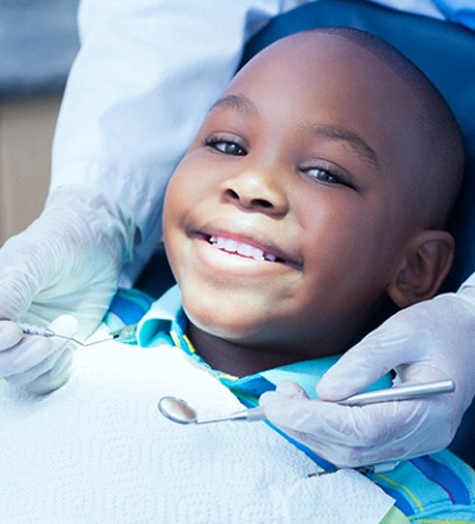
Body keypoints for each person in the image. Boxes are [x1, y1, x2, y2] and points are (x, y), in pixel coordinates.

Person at [2, 27, 474, 522]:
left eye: (325, 173)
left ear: (415, 268)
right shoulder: (54, 337)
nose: (251, 185)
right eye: (227, 145)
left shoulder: (425, 504)